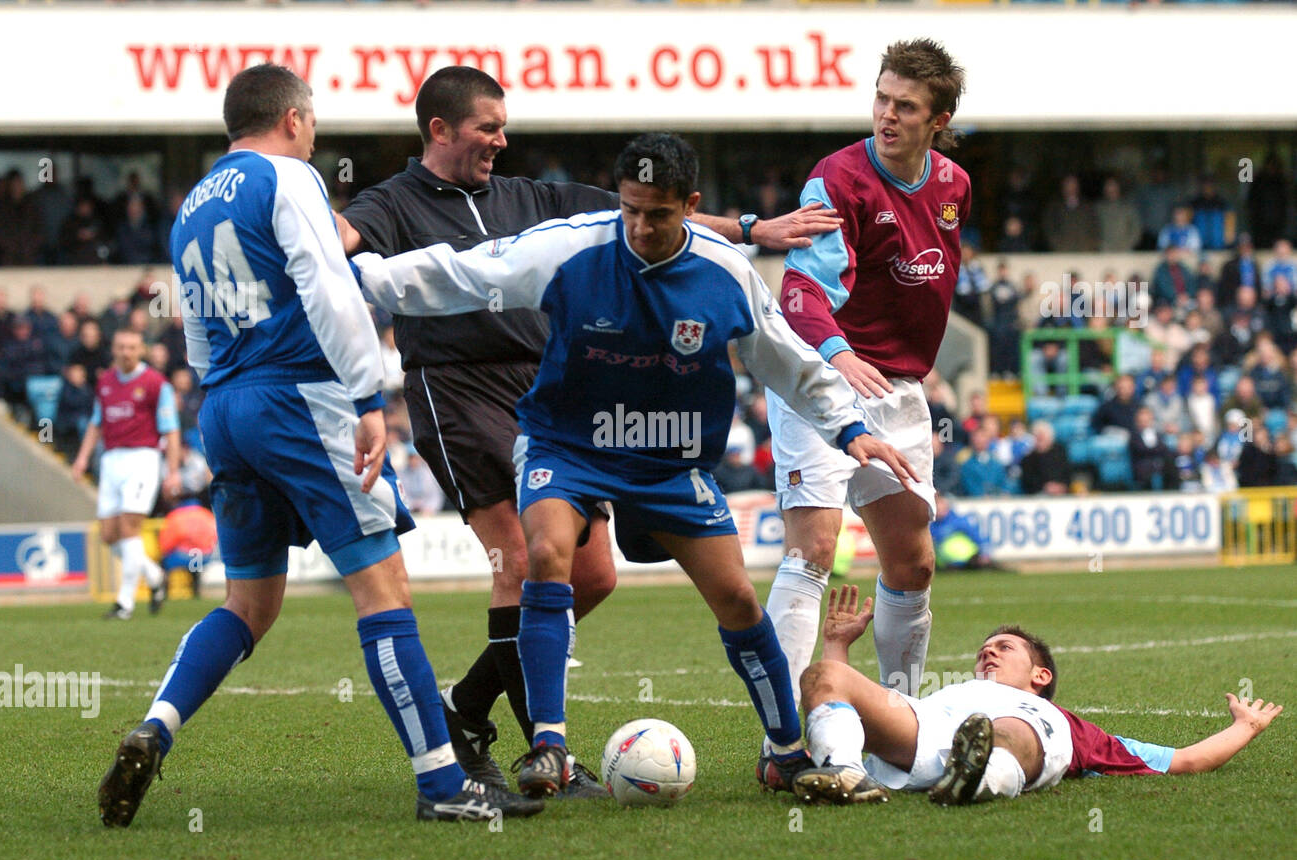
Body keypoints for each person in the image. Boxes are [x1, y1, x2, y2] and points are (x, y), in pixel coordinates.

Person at [350, 132, 918, 798]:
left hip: (669, 460)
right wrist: (344, 277)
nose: (641, 227)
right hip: (566, 445)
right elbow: (463, 273)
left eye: (659, 214)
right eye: (631, 210)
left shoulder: (725, 271)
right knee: (548, 552)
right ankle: (549, 747)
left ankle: (788, 753)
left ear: (691, 205)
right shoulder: (571, 246)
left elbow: (786, 360)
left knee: (736, 598)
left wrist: (849, 428)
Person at [95, 64, 541, 828]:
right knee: (384, 591)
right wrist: (367, 398)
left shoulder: (191, 206)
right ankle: (443, 782)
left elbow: (199, 334)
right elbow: (328, 288)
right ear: (295, 119)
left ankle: (155, 727)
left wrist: (227, 397)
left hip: (226, 406)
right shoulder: (290, 177)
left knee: (248, 604)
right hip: (300, 399)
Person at [763, 40, 969, 794]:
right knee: (814, 549)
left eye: (905, 106)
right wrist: (838, 353)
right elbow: (798, 290)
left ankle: (899, 722)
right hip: (816, 372)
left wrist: (900, 360)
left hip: (897, 390)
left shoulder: (955, 185)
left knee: (911, 563)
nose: (886, 114)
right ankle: (783, 739)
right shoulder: (837, 178)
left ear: (937, 120)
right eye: (881, 98)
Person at [790, 586, 1284, 806]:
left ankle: (979, 777)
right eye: (985, 648)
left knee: (1011, 731)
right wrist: (836, 646)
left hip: (1017, 732)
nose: (989, 652)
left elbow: (1184, 761)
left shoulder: (1063, 721)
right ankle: (843, 771)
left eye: (1004, 647)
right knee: (819, 676)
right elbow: (843, 694)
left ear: (1041, 675)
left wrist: (1246, 726)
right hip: (928, 731)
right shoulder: (953, 694)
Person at [71, 328, 182, 619]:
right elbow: (96, 423)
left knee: (129, 528)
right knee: (109, 534)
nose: (125, 352)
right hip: (111, 460)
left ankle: (125, 603)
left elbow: (171, 430)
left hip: (142, 458)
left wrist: (172, 472)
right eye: (121, 347)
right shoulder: (106, 381)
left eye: (131, 347)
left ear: (140, 350)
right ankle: (155, 575)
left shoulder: (156, 384)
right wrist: (82, 459)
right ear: (114, 349)